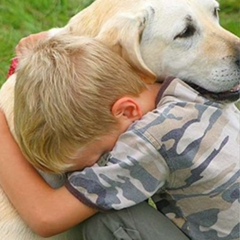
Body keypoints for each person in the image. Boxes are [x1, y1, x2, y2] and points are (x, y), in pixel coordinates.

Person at [1, 33, 239, 240]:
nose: (92, 170)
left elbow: (46, 217)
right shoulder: (183, 86)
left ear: (127, 111)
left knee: (108, 221)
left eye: (100, 157)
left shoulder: (149, 141)